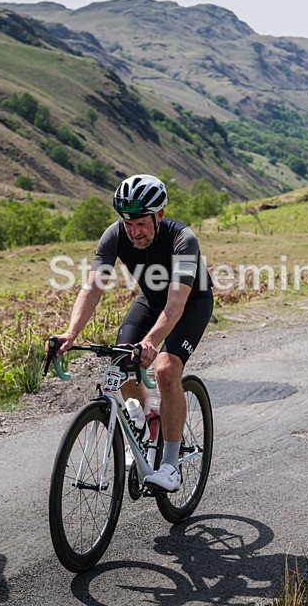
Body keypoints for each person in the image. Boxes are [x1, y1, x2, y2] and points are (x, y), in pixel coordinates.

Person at [49, 174, 214, 493]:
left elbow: (177, 302)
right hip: (152, 301)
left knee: (166, 371)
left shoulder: (183, 239)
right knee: (120, 363)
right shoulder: (115, 235)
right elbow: (92, 287)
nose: (133, 231)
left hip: (190, 303)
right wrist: (70, 334)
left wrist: (152, 342)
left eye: (140, 223)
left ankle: (169, 465)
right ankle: (147, 421)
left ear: (159, 215)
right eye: (127, 223)